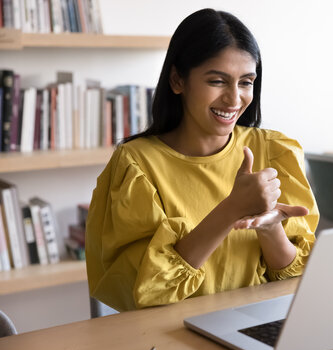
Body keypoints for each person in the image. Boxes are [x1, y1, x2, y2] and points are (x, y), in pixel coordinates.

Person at [85, 8, 319, 311]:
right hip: (170, 335)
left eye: (246, 82)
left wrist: (269, 228)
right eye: (217, 81)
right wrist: (232, 209)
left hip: (252, 327)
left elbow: (293, 278)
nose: (234, 99)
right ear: (177, 80)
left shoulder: (274, 151)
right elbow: (145, 291)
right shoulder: (136, 165)